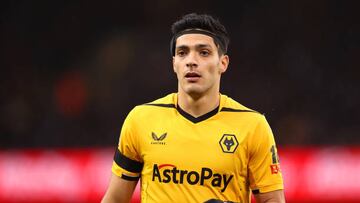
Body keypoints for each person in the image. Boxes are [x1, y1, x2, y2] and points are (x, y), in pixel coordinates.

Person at [101, 13, 285, 203]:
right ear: (174, 64)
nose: (191, 61)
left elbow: (273, 200)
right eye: (182, 53)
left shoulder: (253, 126)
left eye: (203, 52)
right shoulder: (140, 120)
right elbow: (115, 199)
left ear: (223, 63)